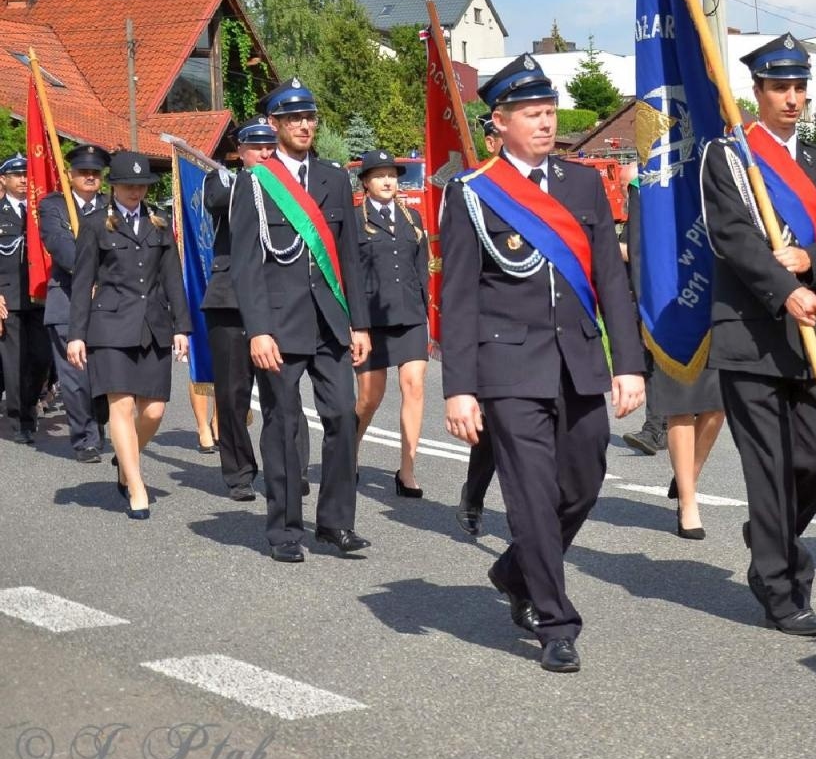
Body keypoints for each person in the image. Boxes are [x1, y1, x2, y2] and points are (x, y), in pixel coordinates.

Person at [441, 55, 646, 673]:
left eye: (550, 112)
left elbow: (610, 277)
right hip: (508, 369)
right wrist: (460, 390)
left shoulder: (582, 184)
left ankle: (513, 569)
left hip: (579, 359)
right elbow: (458, 296)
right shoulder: (473, 195)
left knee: (583, 480)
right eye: (532, 114)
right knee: (529, 496)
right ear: (498, 122)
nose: (546, 123)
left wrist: (629, 362)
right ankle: (556, 621)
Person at [700, 33, 816, 635]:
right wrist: (782, 286)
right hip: (751, 333)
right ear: (758, 92)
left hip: (811, 332)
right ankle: (782, 587)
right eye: (779, 88)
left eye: (799, 87)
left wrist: (810, 263)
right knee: (768, 468)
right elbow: (733, 237)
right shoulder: (730, 157)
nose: (792, 98)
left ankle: (771, 532)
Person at [230, 79, 372, 563]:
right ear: (275, 125)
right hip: (280, 325)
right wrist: (258, 330)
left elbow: (351, 257)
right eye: (294, 119)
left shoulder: (334, 177)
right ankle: (285, 530)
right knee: (284, 425)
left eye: (309, 117)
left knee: (341, 418)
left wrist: (361, 324)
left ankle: (335, 522)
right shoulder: (255, 181)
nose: (305, 125)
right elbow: (246, 264)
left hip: (331, 321)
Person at [65, 151, 190, 520]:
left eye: (142, 185)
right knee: (120, 405)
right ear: (113, 186)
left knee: (153, 410)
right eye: (129, 184)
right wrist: (76, 334)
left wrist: (182, 327)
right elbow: (82, 281)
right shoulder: (94, 224)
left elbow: (173, 279)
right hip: (109, 327)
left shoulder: (160, 223)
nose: (136, 191)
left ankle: (125, 458)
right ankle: (136, 486)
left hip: (153, 325)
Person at [626, 168, 724, 538]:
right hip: (667, 306)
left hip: (715, 302)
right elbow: (638, 251)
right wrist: (642, 311)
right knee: (680, 404)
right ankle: (688, 502)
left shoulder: (715, 169)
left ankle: (688, 475)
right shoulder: (648, 183)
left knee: (717, 404)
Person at [201, 117, 278, 502]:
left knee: (281, 395)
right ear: (240, 151)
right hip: (230, 299)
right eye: (257, 147)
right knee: (233, 394)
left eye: (270, 146)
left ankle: (285, 471)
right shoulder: (224, 181)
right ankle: (239, 472)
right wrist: (249, 180)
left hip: (276, 297)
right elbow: (216, 203)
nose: (265, 153)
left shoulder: (287, 185)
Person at [351, 149, 430, 498]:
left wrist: (432, 317)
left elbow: (422, 269)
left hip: (411, 315)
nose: (387, 181)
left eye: (392, 175)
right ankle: (348, 452)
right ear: (365, 182)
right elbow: (349, 276)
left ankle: (407, 470)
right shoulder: (354, 220)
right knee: (370, 397)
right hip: (372, 318)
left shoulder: (412, 218)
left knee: (414, 386)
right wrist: (356, 325)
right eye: (379, 175)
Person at [38, 143, 111, 462]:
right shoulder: (53, 206)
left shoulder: (111, 206)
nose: (90, 177)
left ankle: (102, 422)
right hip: (68, 300)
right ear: (70, 175)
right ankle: (85, 438)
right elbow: (60, 245)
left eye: (95, 172)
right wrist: (90, 278)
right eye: (83, 172)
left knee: (107, 372)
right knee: (75, 375)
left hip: (108, 301)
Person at [457, 114, 503, 536]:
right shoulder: (475, 191)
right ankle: (473, 494)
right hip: (492, 331)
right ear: (491, 141)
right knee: (491, 428)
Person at [0, 152, 50, 446]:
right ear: (3, 179)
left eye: (26, 175)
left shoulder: (41, 213)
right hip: (9, 300)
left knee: (42, 357)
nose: (22, 179)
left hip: (40, 296)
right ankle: (21, 419)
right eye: (16, 175)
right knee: (14, 362)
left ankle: (30, 402)